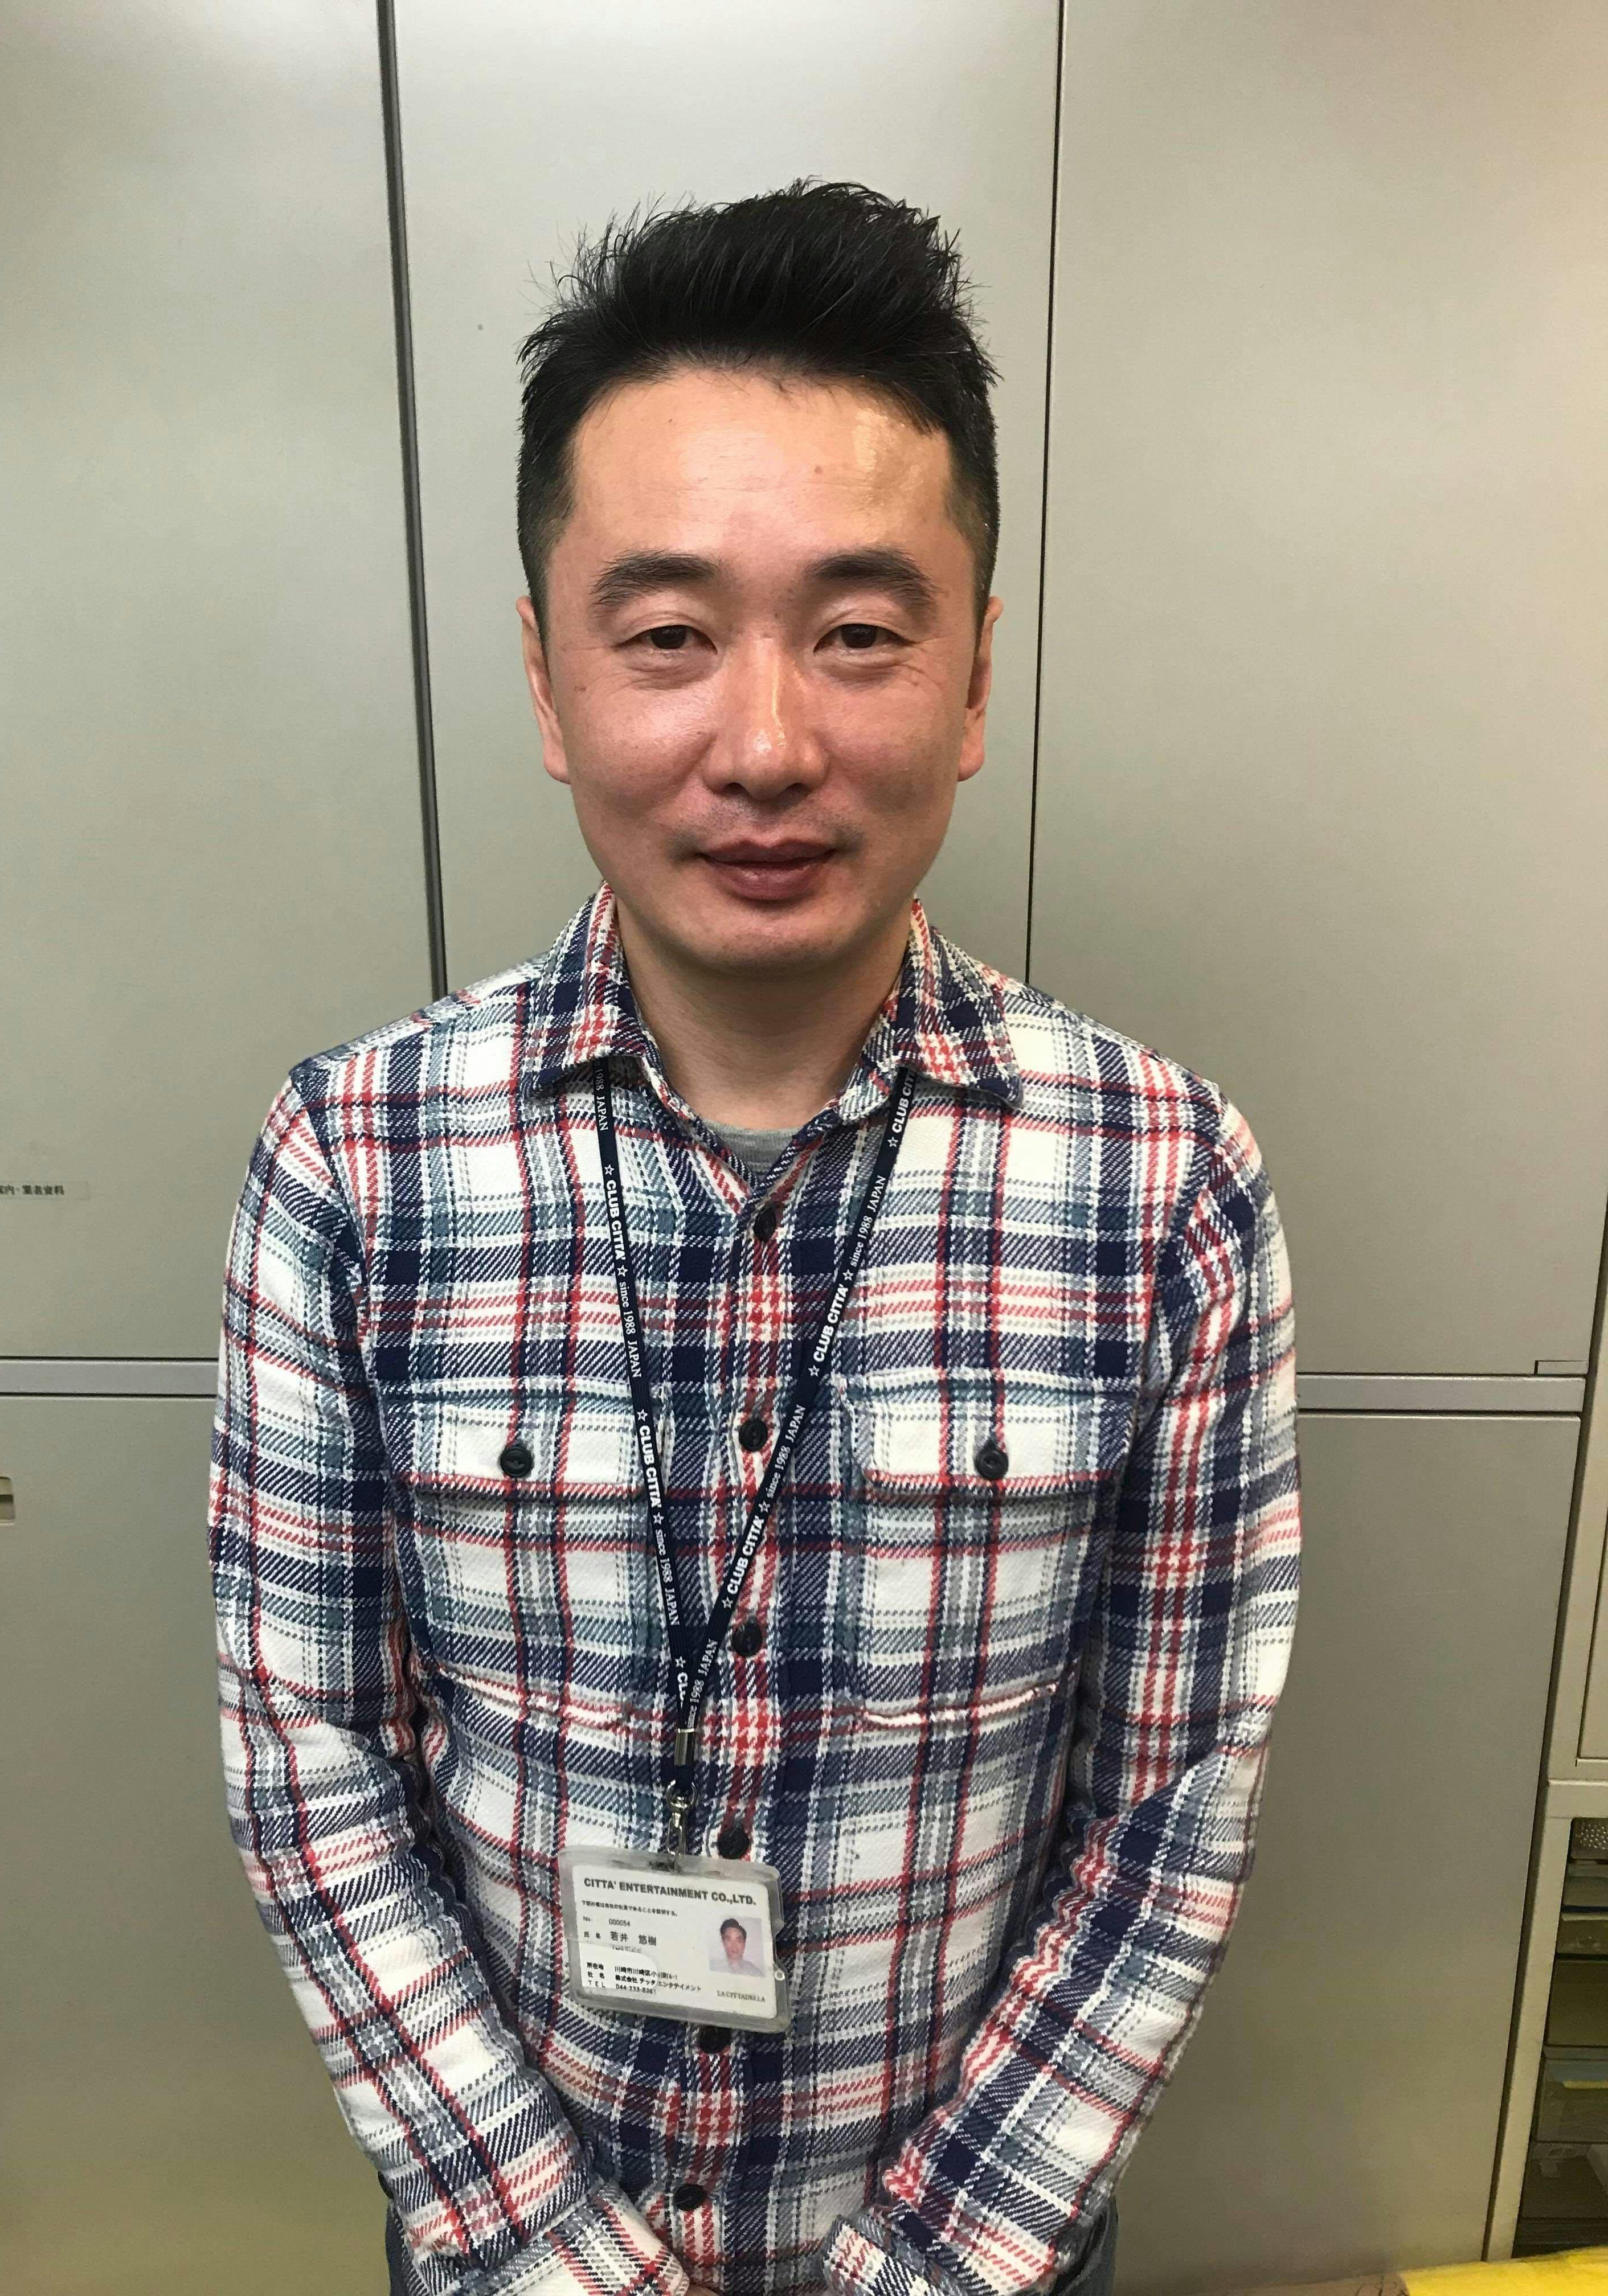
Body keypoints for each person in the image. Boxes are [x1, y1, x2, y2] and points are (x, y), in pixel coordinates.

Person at [208, 181, 1299, 2296]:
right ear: (552, 683)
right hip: (512, 2244)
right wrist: (554, 2257)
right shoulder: (353, 1163)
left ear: (972, 681)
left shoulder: (1166, 1180)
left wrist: (928, 2269)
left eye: (861, 633)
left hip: (974, 2254)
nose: (770, 744)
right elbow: (308, 1754)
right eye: (669, 636)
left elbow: (1172, 1799)